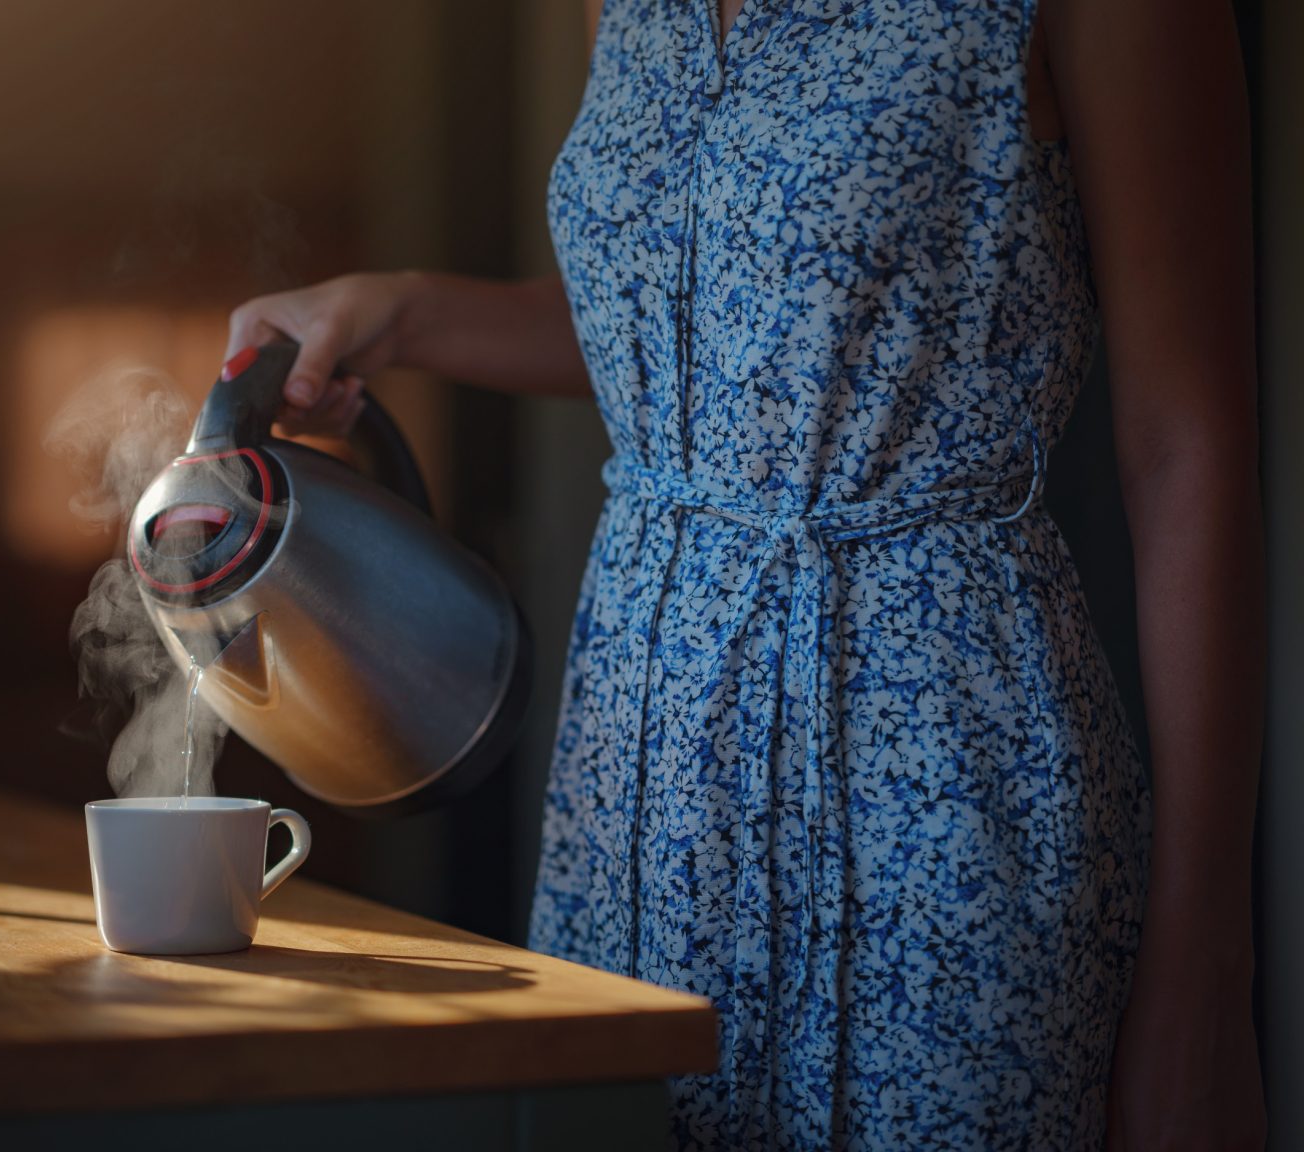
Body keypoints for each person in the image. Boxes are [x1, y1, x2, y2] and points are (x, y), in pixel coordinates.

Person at [226, 0, 1266, 1147]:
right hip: (638, 784)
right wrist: (402, 312)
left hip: (939, 782)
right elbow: (712, 316)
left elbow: (1185, 447)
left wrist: (1204, 972)